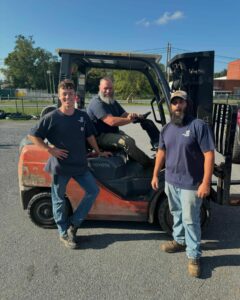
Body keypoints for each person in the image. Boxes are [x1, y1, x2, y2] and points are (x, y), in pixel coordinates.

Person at [28, 79, 111, 249]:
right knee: (58, 199)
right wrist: (49, 149)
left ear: (75, 96)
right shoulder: (52, 117)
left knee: (93, 191)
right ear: (59, 97)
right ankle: (63, 232)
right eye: (64, 94)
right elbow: (33, 135)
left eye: (70, 94)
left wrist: (98, 151)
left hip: (80, 164)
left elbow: (89, 136)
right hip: (61, 166)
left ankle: (74, 222)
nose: (68, 97)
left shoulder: (82, 116)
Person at [151, 90, 215, 277]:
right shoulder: (166, 129)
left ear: (187, 105)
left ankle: (194, 255)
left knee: (190, 219)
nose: (177, 106)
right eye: (174, 102)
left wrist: (205, 182)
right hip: (171, 181)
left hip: (191, 183)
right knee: (176, 213)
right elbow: (161, 153)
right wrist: (155, 175)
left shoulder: (198, 126)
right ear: (170, 106)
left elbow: (209, 154)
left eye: (181, 102)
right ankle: (179, 241)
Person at [87, 77, 153, 167]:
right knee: (127, 142)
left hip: (111, 133)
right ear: (99, 88)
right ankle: (149, 164)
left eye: (110, 88)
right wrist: (129, 120)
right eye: (105, 88)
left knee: (131, 140)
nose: (108, 91)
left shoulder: (111, 101)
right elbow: (111, 121)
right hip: (100, 137)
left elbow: (123, 114)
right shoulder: (97, 103)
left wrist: (134, 115)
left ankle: (135, 163)